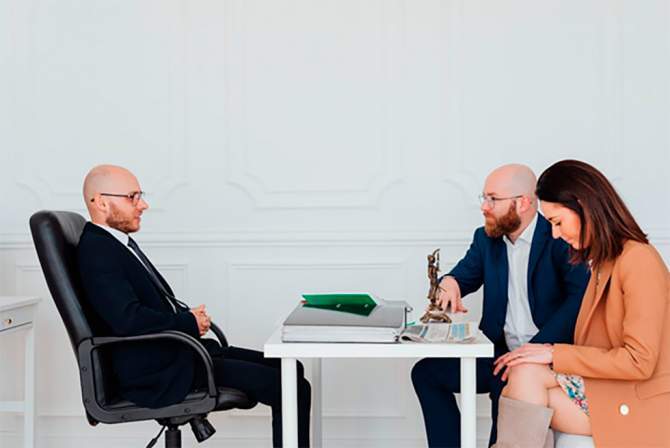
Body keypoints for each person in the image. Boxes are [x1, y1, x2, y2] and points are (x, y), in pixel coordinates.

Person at [76, 164, 311, 447]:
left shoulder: (114, 244)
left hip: (175, 354)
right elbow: (127, 319)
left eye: (140, 196)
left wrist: (188, 317)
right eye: (132, 197)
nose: (143, 205)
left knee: (291, 369)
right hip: (157, 373)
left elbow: (132, 309)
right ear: (101, 202)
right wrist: (187, 323)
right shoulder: (98, 250)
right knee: (290, 385)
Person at [492, 160, 670, 447]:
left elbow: (639, 362)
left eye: (557, 222)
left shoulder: (639, 260)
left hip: (641, 401)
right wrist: (548, 354)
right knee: (523, 374)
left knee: (522, 387)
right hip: (610, 388)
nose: (555, 234)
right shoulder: (604, 263)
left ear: (583, 206)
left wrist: (554, 353)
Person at [411, 164, 590, 447]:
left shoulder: (559, 236)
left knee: (508, 384)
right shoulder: (486, 239)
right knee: (426, 374)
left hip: (544, 359)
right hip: (498, 353)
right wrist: (451, 282)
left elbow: (578, 300)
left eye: (493, 199)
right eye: (484, 198)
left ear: (523, 203)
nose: (484, 207)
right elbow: (464, 274)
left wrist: (533, 351)